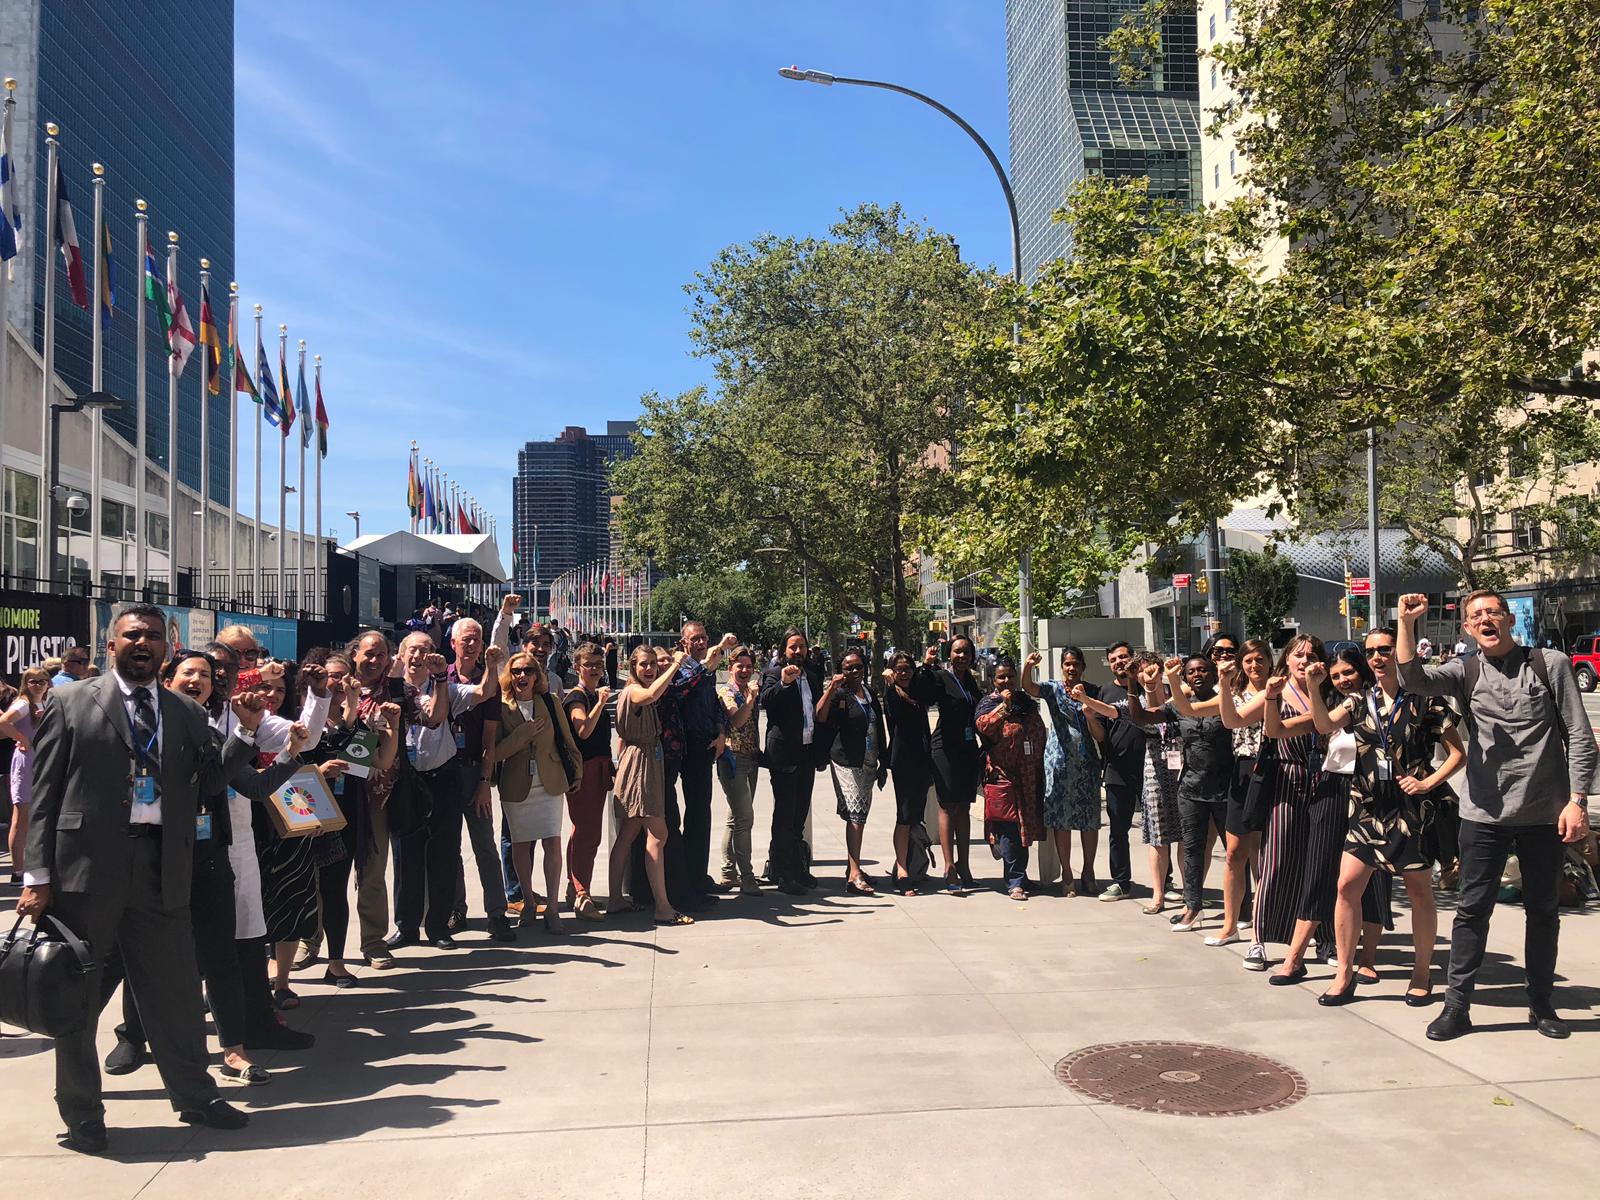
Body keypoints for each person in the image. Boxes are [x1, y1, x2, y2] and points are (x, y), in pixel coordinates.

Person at [18, 605, 256, 1153]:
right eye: (132, 635)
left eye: (152, 635)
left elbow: (211, 781)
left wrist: (244, 731)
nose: (143, 643)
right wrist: (37, 875)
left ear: (166, 649)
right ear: (111, 645)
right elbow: (45, 792)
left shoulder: (185, 711)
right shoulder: (72, 701)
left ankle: (196, 1095)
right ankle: (82, 1113)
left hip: (162, 866)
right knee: (77, 998)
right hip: (84, 871)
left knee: (175, 991)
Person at [105, 652, 318, 1086]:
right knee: (141, 956)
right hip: (150, 858)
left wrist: (288, 751)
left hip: (207, 858)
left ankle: (234, 1051)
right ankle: (133, 1037)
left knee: (221, 957)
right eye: (189, 672)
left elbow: (250, 785)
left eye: (205, 675)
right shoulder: (137, 726)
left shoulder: (212, 732)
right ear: (166, 679)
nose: (199, 680)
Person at [1397, 590, 1598, 1040]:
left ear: (1508, 619)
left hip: (1544, 814)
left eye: (1493, 612)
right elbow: (1413, 679)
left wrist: (1577, 801)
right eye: (1476, 616)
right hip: (1484, 815)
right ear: (1468, 629)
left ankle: (1541, 1003)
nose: (1485, 619)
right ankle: (1457, 1006)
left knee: (1543, 911)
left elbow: (1581, 737)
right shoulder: (1465, 670)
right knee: (1472, 911)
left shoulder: (1549, 664)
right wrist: (1406, 624)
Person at [1302, 633, 1465, 1007]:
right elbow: (1324, 726)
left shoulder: (1425, 700)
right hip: (1367, 807)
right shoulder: (1359, 700)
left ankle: (1421, 973)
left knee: (1419, 892)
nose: (1377, 656)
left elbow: (1458, 754)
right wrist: (1313, 687)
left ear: (1398, 653)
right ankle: (1344, 974)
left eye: (1384, 650)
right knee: (1346, 886)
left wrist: (1427, 783)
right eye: (1370, 651)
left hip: (1411, 811)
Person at [388, 630, 498, 953]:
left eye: (425, 649)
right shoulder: (391, 691)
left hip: (443, 779)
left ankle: (438, 925)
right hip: (406, 781)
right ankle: (407, 926)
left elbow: (484, 691)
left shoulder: (446, 688)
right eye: (412, 649)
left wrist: (492, 666)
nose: (418, 655)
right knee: (405, 856)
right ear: (402, 655)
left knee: (444, 854)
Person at [1256, 634, 1345, 985]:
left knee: (1322, 865)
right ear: (1287, 659)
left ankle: (1325, 938)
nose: (1305, 660)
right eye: (1298, 655)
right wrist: (1270, 697)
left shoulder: (1331, 691)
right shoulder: (1277, 689)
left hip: (1327, 780)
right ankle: (1260, 937)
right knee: (1277, 860)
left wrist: (1317, 687)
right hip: (1288, 778)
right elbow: (1264, 727)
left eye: (1311, 655)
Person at [1079, 654, 1183, 915]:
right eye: (1143, 673)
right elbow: (1111, 711)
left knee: (1187, 836)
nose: (1149, 676)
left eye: (1153, 671)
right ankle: (1154, 893)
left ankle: (1186, 891)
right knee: (1156, 835)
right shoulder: (1136, 702)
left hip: (1184, 773)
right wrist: (1085, 700)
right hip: (1154, 773)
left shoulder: (1178, 696)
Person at [488, 652, 583, 935]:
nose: (522, 676)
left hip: (550, 782)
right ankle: (528, 902)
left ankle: (552, 908)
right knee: (520, 845)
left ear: (536, 675)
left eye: (528, 670)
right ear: (509, 675)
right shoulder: (501, 706)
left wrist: (576, 771)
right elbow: (494, 752)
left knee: (552, 843)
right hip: (516, 785)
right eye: (517, 671)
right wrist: (523, 734)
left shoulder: (550, 702)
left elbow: (566, 738)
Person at [608, 644, 694, 925]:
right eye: (643, 664)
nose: (649, 669)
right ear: (633, 666)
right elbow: (651, 694)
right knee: (658, 834)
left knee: (628, 833)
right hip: (641, 766)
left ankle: (616, 899)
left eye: (653, 664)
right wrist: (675, 665)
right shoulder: (634, 690)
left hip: (641, 762)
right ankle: (663, 907)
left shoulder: (634, 690)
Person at [1151, 654, 1233, 933]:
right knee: (1192, 849)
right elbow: (1145, 717)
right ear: (1185, 677)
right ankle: (1193, 906)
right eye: (1191, 671)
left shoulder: (1226, 699)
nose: (1197, 675)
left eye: (1203, 670)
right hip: (1190, 788)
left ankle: (1243, 908)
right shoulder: (1178, 704)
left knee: (1235, 853)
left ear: (1213, 674)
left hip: (1226, 788)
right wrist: (1139, 686)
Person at [447, 616, 516, 942]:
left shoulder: (489, 682)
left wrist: (485, 783)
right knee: (448, 847)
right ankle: (455, 909)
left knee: (485, 846)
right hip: (444, 773)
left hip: (474, 770)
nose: (472, 644)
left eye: (477, 638)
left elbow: (490, 739)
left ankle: (497, 913)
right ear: (453, 643)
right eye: (466, 639)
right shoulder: (440, 677)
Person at [663, 622, 737, 899]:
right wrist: (704, 668)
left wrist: (721, 732)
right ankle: (682, 882)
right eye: (694, 638)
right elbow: (678, 691)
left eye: (703, 637)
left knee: (700, 814)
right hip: (681, 747)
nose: (701, 642)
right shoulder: (679, 668)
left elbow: (714, 703)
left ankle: (698, 876)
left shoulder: (707, 670)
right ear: (684, 642)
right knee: (675, 817)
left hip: (705, 745)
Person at [909, 636, 985, 894]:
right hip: (944, 749)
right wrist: (926, 666)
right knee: (947, 806)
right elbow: (920, 694)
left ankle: (964, 865)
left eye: (966, 652)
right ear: (948, 654)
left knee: (964, 807)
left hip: (967, 749)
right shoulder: (941, 677)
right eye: (957, 652)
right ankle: (949, 866)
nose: (962, 656)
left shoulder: (970, 681)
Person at [1213, 640, 1274, 952]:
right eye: (1248, 660)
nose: (1254, 666)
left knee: (1266, 856)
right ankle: (1230, 924)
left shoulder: (1279, 689)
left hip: (1272, 768)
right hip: (1243, 769)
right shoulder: (1233, 692)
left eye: (1260, 659)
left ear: (1269, 661)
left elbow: (1234, 719)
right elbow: (1194, 709)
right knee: (1234, 853)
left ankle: (1263, 926)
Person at [762, 629, 829, 896]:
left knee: (800, 814)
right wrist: (785, 683)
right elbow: (767, 702)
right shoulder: (773, 673)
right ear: (784, 650)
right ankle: (783, 873)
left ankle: (798, 867)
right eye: (793, 647)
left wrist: (821, 754)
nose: (798, 651)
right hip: (784, 756)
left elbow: (816, 714)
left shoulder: (812, 675)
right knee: (785, 815)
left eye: (802, 646)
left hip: (807, 753)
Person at [1035, 646, 1104, 896]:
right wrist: (1028, 666)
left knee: (1089, 820)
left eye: (1076, 664)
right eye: (1067, 664)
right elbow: (1029, 688)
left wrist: (1088, 711)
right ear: (1062, 667)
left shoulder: (1094, 692)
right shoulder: (1053, 688)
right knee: (1062, 819)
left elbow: (1100, 735)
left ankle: (1088, 871)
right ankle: (1067, 873)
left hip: (1086, 762)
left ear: (1083, 667)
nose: (1071, 668)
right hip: (1059, 762)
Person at [978, 656, 1047, 899]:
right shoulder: (989, 703)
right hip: (1003, 777)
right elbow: (984, 727)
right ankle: (1014, 881)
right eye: (1001, 677)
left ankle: (1021, 875)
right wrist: (1004, 707)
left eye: (1010, 676)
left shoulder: (1026, 703)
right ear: (993, 680)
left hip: (1028, 776)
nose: (1007, 680)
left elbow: (1038, 730)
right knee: (1008, 829)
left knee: (1024, 829)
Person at [822, 648, 887, 895]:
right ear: (841, 671)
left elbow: (878, 728)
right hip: (847, 762)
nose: (855, 671)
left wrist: (883, 762)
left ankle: (854, 866)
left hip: (868, 763)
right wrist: (831, 688)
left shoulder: (868, 693)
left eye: (859, 666)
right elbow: (820, 716)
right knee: (855, 817)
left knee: (861, 817)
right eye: (849, 668)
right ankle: (854, 875)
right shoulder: (840, 694)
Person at [562, 643, 614, 919]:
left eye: (598, 664)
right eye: (588, 664)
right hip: (585, 772)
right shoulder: (577, 697)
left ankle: (575, 888)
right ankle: (582, 895)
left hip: (598, 769)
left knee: (582, 831)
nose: (594, 669)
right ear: (577, 667)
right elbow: (582, 729)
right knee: (588, 833)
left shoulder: (592, 694)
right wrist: (602, 703)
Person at [1093, 641, 1148, 902]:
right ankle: (1121, 882)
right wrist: (1089, 717)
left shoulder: (1148, 686)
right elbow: (1101, 735)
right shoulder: (1105, 691)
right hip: (1117, 770)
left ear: (1133, 659)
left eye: (1123, 657)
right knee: (1118, 830)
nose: (1119, 662)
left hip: (1150, 769)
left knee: (1159, 829)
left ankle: (1166, 881)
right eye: (1114, 659)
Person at [881, 651, 932, 896]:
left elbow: (928, 686)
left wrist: (926, 664)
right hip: (903, 761)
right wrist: (891, 684)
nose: (904, 673)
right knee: (904, 815)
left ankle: (913, 863)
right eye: (899, 669)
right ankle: (902, 870)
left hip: (922, 759)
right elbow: (896, 715)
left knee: (915, 815)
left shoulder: (917, 692)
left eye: (907, 669)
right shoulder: (891, 694)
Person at [716, 645, 763, 895]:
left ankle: (728, 872)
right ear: (730, 668)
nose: (744, 671)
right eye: (739, 666)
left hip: (751, 758)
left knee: (736, 817)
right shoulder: (726, 692)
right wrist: (752, 699)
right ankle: (747, 876)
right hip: (732, 760)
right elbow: (737, 720)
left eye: (749, 667)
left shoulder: (748, 689)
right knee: (745, 818)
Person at [0, 667, 51, 876]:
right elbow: (3, 722)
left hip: (41, 761)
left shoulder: (45, 702)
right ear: (25, 684)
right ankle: (18, 870)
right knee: (21, 816)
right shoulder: (23, 703)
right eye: (33, 681)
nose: (38, 685)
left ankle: (30, 864)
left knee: (34, 816)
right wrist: (22, 739)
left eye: (42, 681)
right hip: (26, 762)